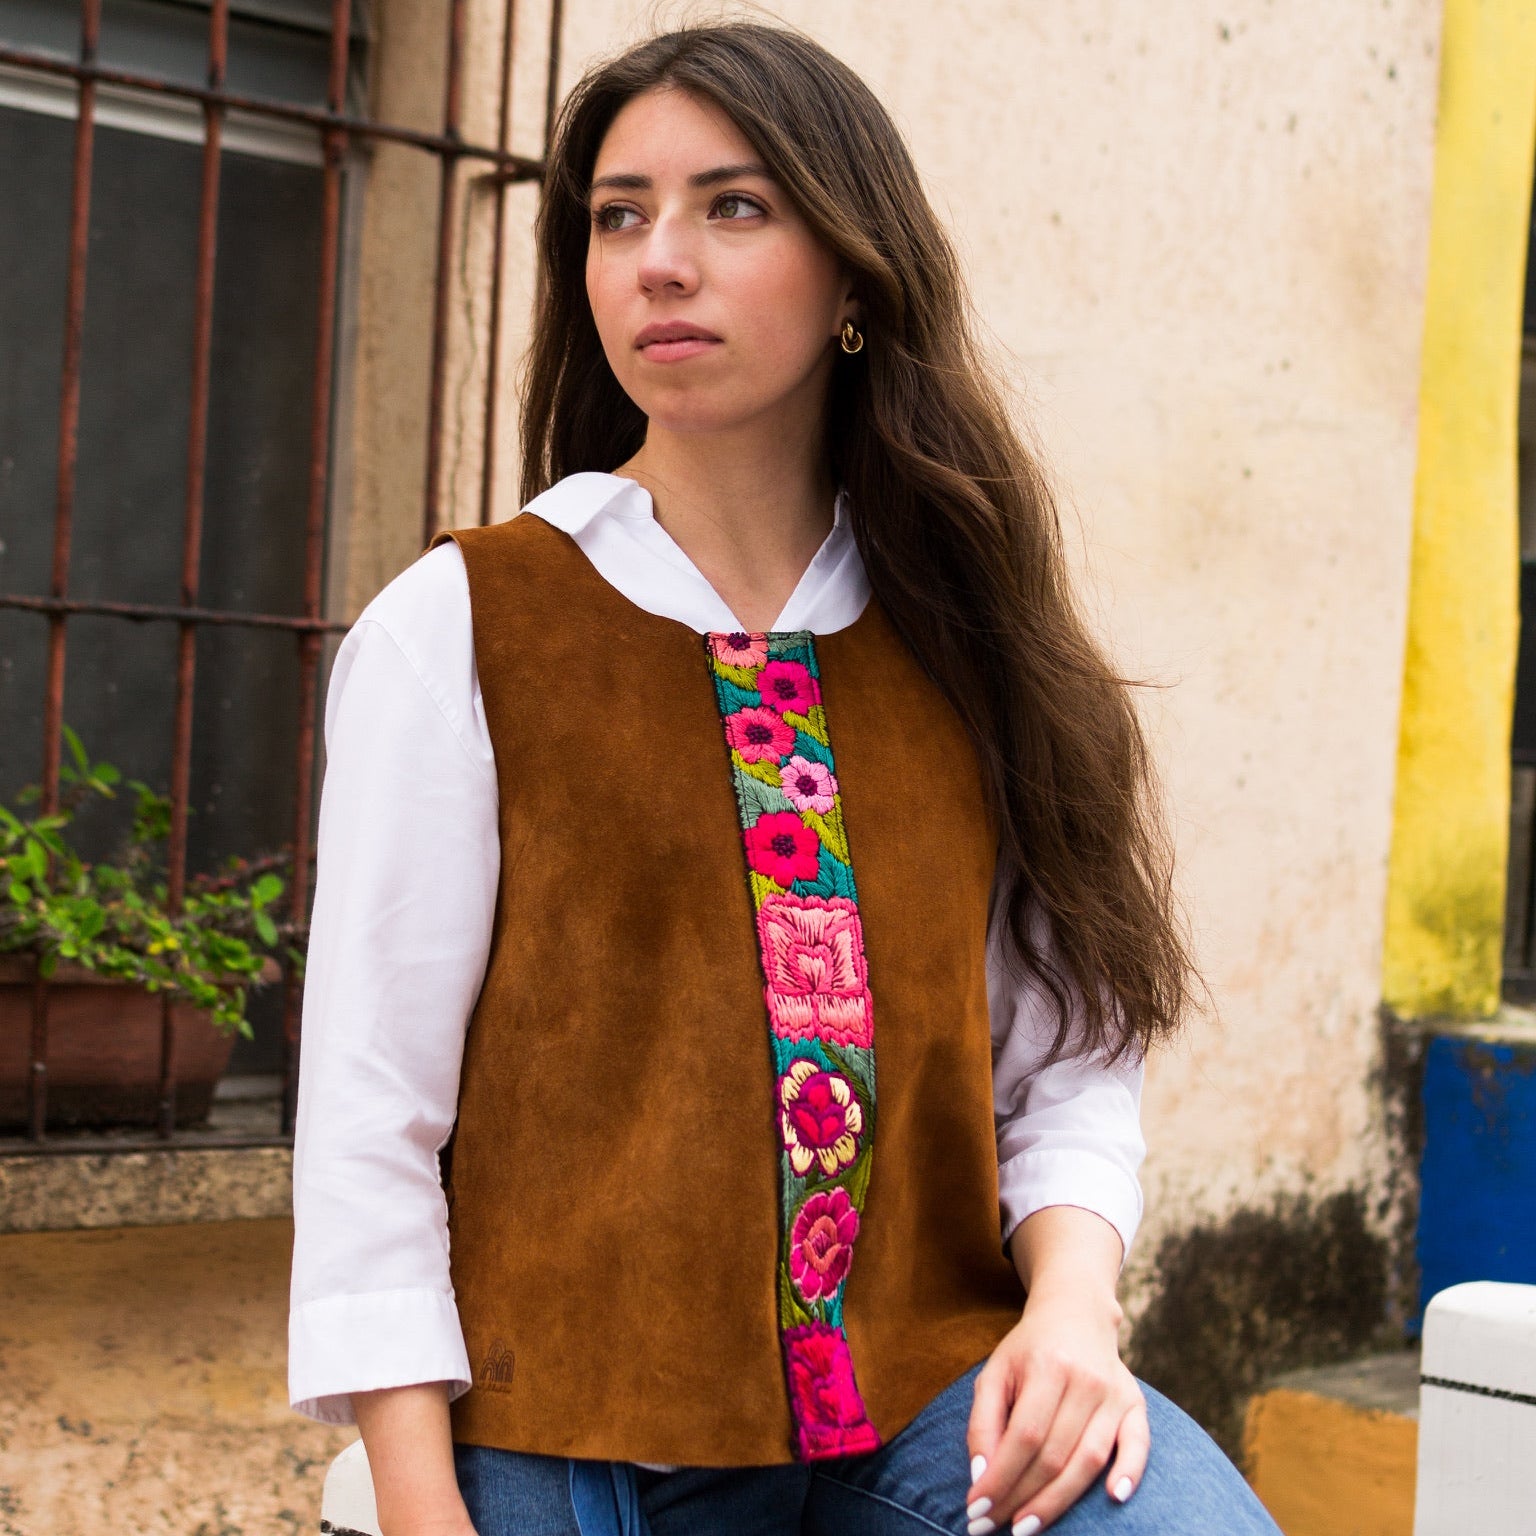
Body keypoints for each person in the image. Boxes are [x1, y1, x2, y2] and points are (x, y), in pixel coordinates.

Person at [288, 22, 1281, 1536]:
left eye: (733, 207)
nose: (659, 262)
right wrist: (425, 1508)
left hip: (926, 1391)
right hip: (573, 1423)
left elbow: (1069, 1050)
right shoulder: (466, 626)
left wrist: (1074, 1310)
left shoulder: (968, 634)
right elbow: (372, 1119)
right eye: (619, 216)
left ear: (856, 278)